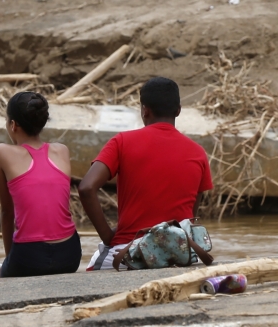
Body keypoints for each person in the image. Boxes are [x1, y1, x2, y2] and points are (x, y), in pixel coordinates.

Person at [79, 77, 213, 270]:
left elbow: (86, 188)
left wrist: (108, 237)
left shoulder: (121, 142)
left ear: (144, 110)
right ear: (178, 110)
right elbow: (189, 217)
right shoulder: (198, 152)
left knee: (92, 271)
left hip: (130, 250)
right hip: (178, 254)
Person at [0, 92, 81, 278]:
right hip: (70, 255)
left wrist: (10, 260)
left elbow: (7, 212)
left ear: (13, 125)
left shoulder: (1, 152)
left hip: (28, 258)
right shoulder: (61, 151)